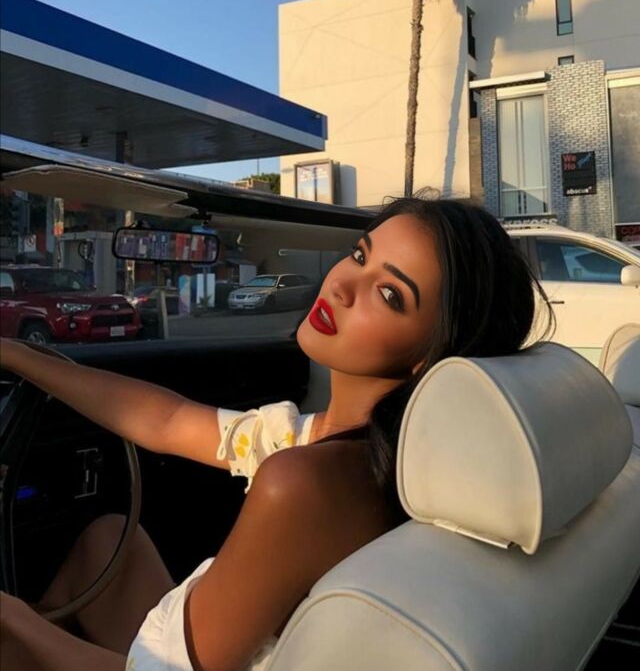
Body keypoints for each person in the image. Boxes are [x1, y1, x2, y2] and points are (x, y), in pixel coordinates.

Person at [0, 197, 551, 671]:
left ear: (429, 356)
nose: (342, 285)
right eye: (360, 255)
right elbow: (166, 420)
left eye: (389, 295)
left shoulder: (306, 482)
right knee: (106, 542)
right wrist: (19, 355)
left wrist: (18, 621)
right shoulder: (339, 447)